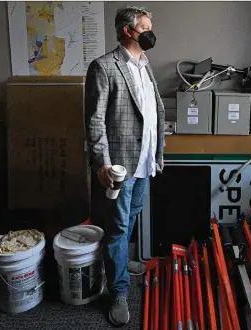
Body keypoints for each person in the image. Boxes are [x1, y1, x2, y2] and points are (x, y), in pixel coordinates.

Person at [85, 6, 165, 326]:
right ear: (128, 31)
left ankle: (120, 262)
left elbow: (151, 112)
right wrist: (102, 163)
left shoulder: (145, 65)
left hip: (144, 160)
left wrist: (158, 152)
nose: (150, 31)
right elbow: (94, 120)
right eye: (144, 26)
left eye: (150, 25)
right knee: (118, 227)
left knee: (133, 212)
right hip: (119, 163)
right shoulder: (104, 66)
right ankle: (118, 289)